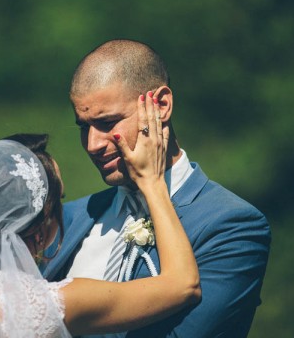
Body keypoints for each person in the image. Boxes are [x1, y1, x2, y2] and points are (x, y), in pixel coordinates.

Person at [0, 94, 201, 337]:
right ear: (39, 232)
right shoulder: (46, 304)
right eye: (58, 203)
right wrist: (153, 182)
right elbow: (183, 286)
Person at [41, 39, 271, 337]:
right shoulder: (70, 217)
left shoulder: (232, 225)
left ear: (161, 105)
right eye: (84, 126)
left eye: (108, 122)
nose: (92, 144)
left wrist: (152, 187)